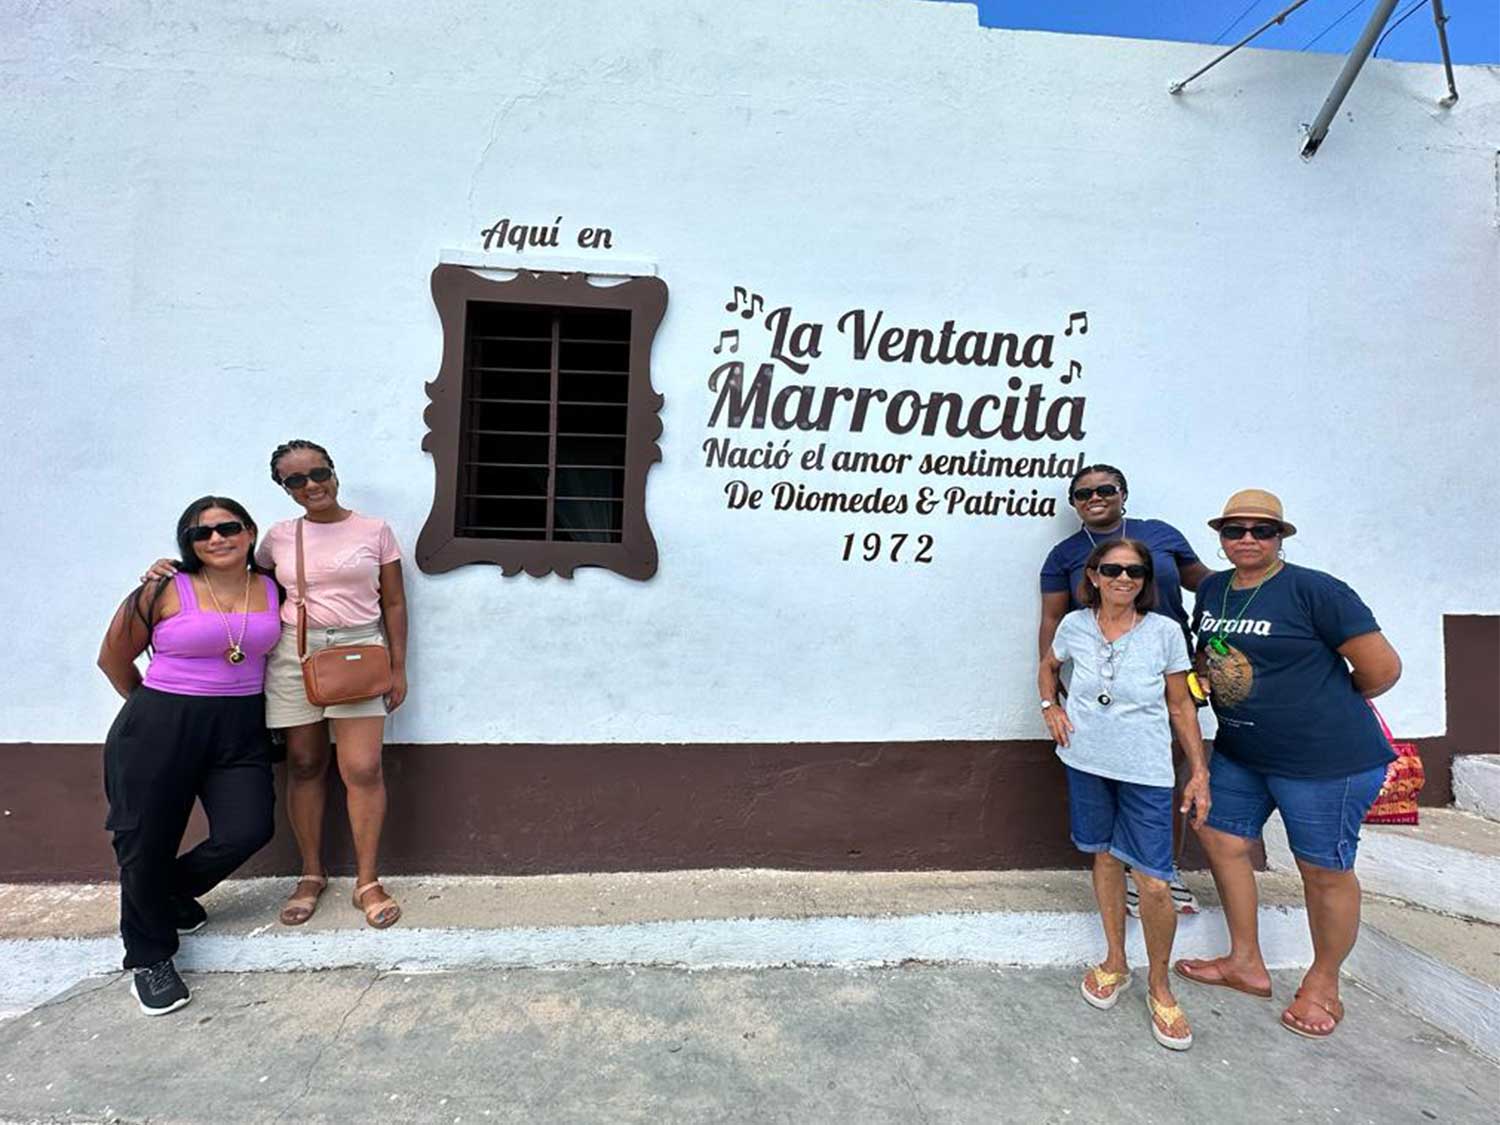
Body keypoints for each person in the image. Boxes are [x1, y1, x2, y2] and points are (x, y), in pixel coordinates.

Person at [144, 440, 410, 929]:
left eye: (319, 473)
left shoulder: (375, 531)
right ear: (284, 488)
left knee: (363, 767)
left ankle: (367, 881)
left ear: (334, 472)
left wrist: (398, 666)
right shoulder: (279, 538)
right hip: (293, 653)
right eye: (296, 480)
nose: (312, 485)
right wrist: (173, 571)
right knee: (305, 764)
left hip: (357, 652)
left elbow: (393, 602)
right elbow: (241, 583)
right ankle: (311, 874)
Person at [1174, 489, 1402, 1040]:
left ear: (1281, 537)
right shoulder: (1213, 590)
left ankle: (1323, 985)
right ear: (1221, 537)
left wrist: (1320, 702)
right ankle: (1245, 962)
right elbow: (1211, 652)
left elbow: (1381, 669)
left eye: (1262, 530)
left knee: (1323, 869)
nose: (1247, 539)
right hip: (1243, 752)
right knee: (1220, 837)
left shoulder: (1315, 590)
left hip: (1324, 759)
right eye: (1235, 530)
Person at [97, 498, 281, 1015]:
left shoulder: (273, 587)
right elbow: (112, 658)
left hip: (241, 725)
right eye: (202, 533)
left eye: (228, 527)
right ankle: (149, 958)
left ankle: (164, 894)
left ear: (249, 532)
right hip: (160, 723)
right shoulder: (162, 588)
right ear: (189, 542)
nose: (216, 538)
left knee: (248, 828)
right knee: (146, 840)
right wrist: (154, 713)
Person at [1039, 539, 1211, 1051]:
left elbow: (1180, 705)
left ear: (1145, 580)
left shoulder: (1164, 632)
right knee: (1105, 856)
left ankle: (1160, 985)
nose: (1123, 579)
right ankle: (1115, 961)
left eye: (1135, 571)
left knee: (1154, 881)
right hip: (1086, 762)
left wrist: (1198, 771)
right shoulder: (1074, 625)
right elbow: (1049, 665)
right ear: (1093, 575)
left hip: (1146, 771)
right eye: (1112, 569)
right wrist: (1050, 706)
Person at [1039, 463, 1211, 914]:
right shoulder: (1064, 555)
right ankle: (1124, 871)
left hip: (1169, 668)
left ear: (1123, 493)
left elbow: (1212, 588)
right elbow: (1052, 625)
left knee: (1164, 768)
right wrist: (1051, 696)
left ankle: (1160, 868)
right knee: (1105, 776)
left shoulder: (1161, 535)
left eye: (1106, 489)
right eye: (1083, 493)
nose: (1095, 497)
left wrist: (1212, 645)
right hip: (1106, 681)